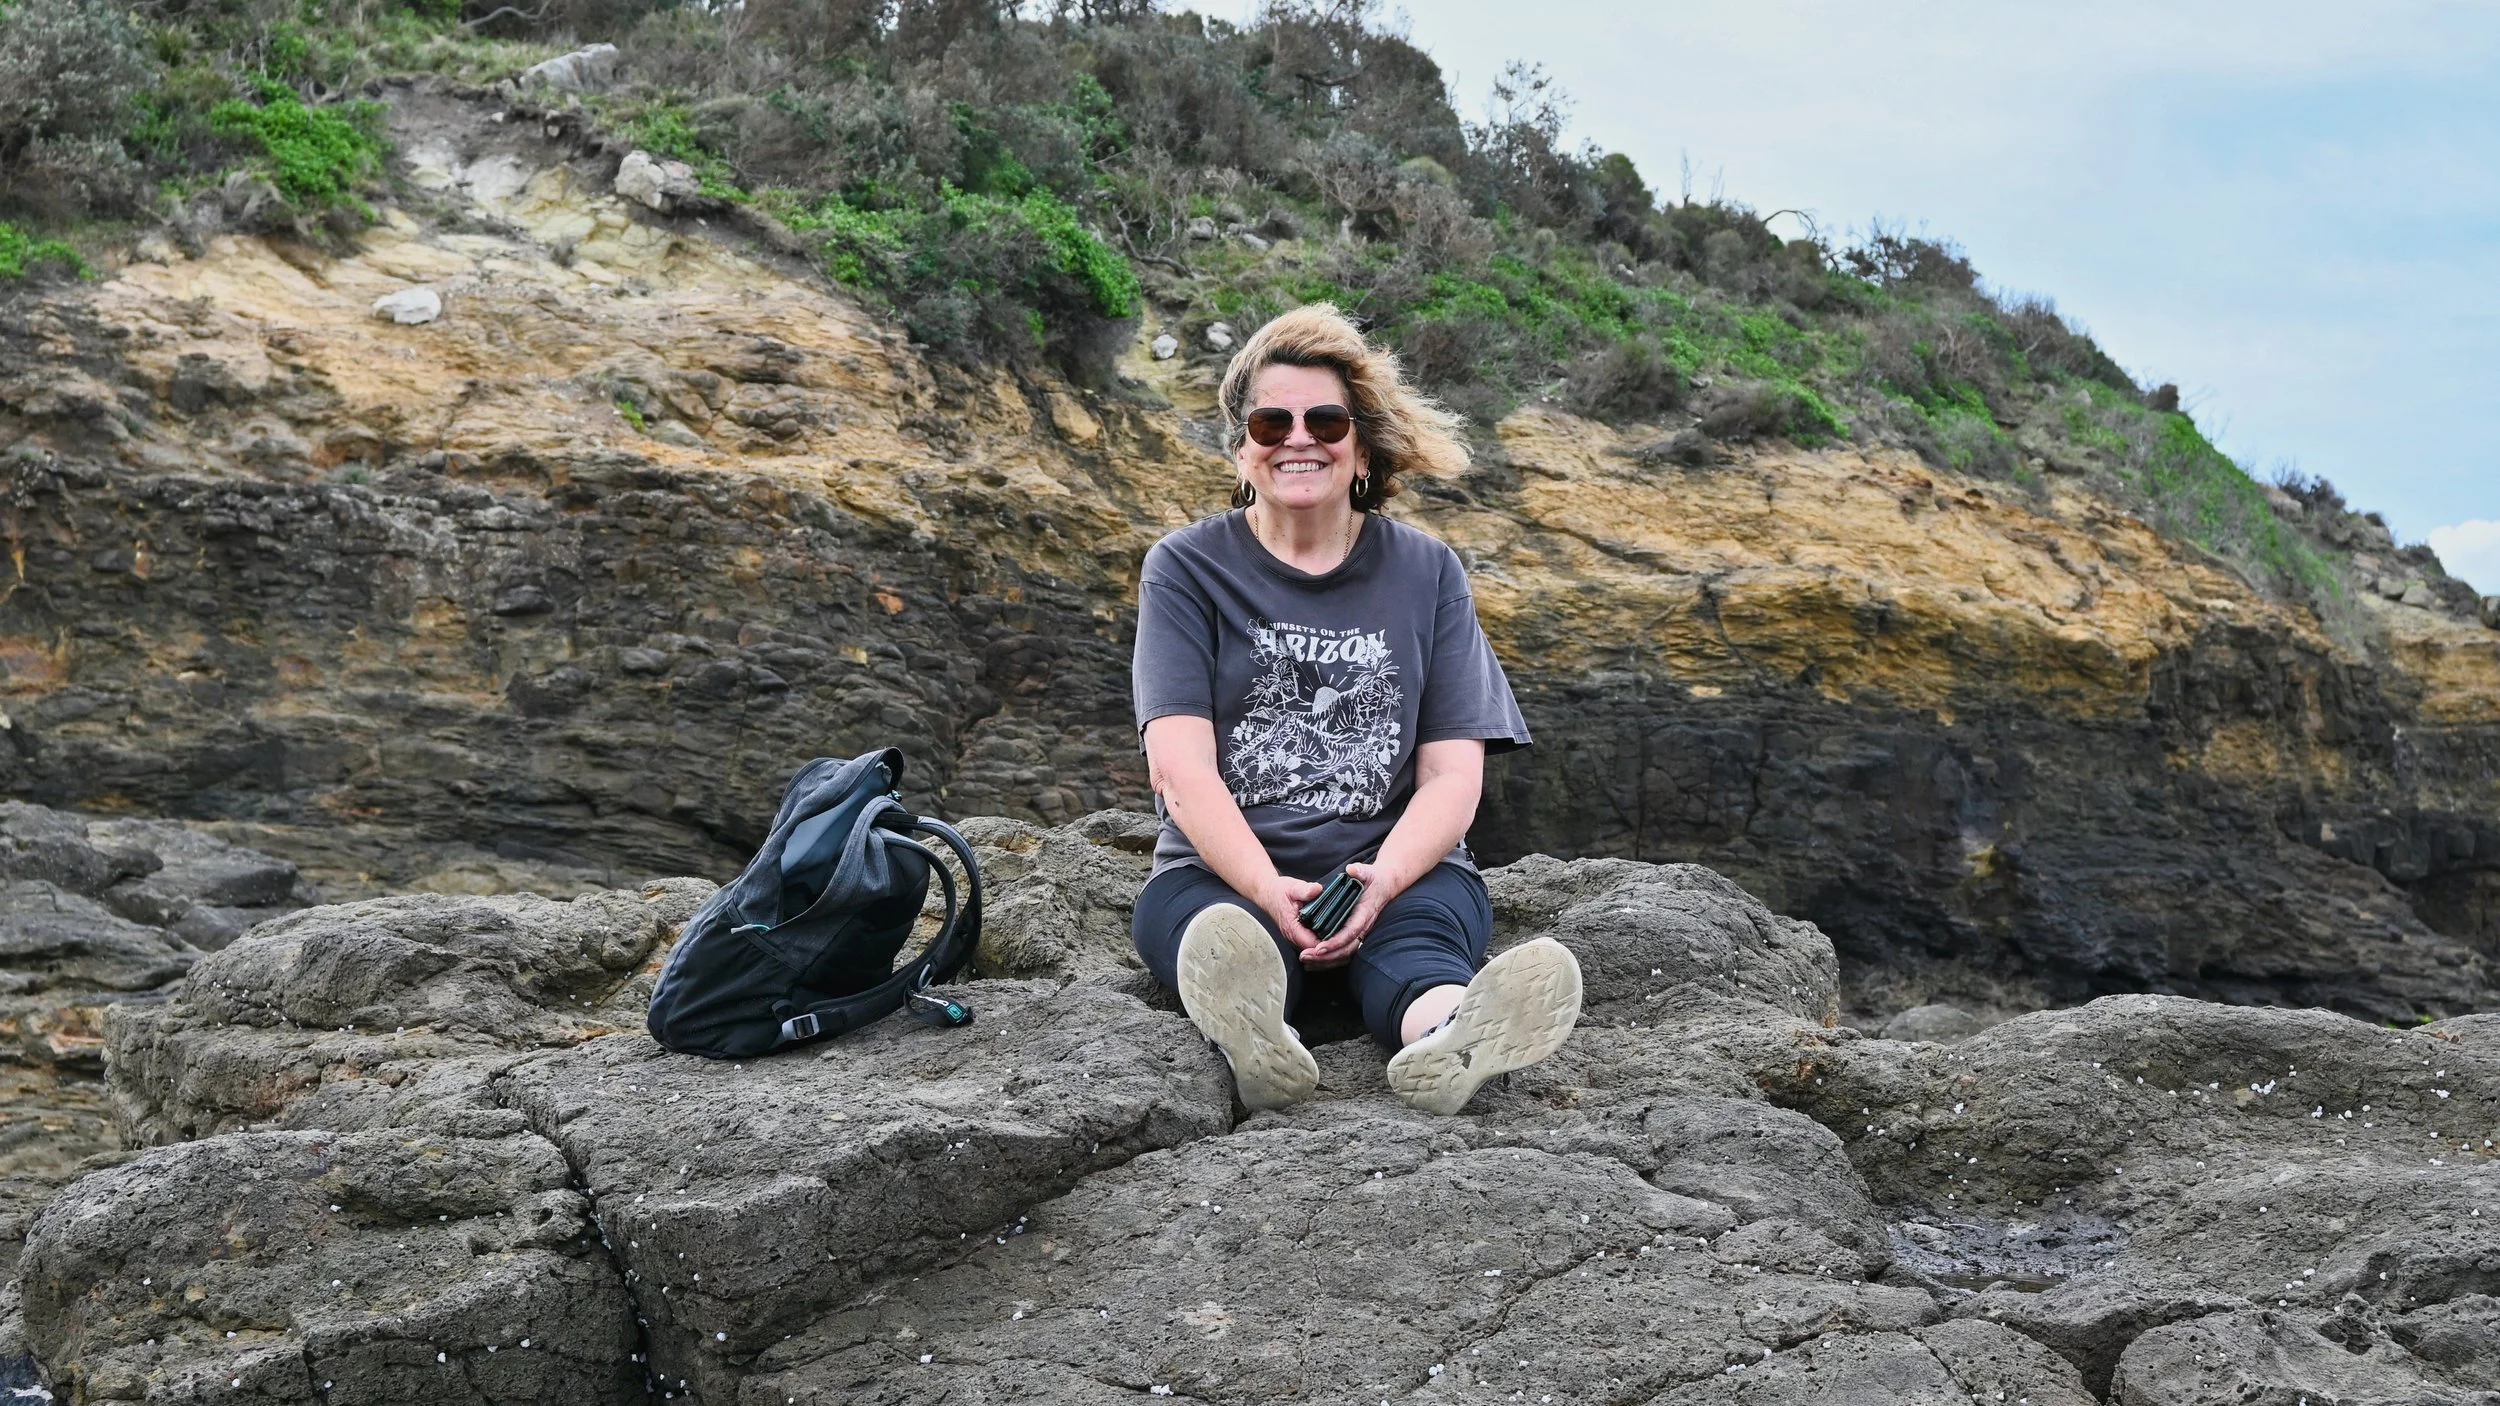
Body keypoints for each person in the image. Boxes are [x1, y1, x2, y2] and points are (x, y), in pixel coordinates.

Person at [1128, 303, 1583, 1115]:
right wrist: (1269, 890)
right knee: (1222, 942)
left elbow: (1451, 774)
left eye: (1325, 420)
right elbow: (1180, 768)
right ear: (1242, 449)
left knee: (1419, 946)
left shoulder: (1428, 571)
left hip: (1399, 871)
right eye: (1272, 422)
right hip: (1223, 878)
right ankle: (1257, 1032)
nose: (1298, 438)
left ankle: (1448, 1035)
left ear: (1362, 445)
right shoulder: (1186, 567)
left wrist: (1381, 884)